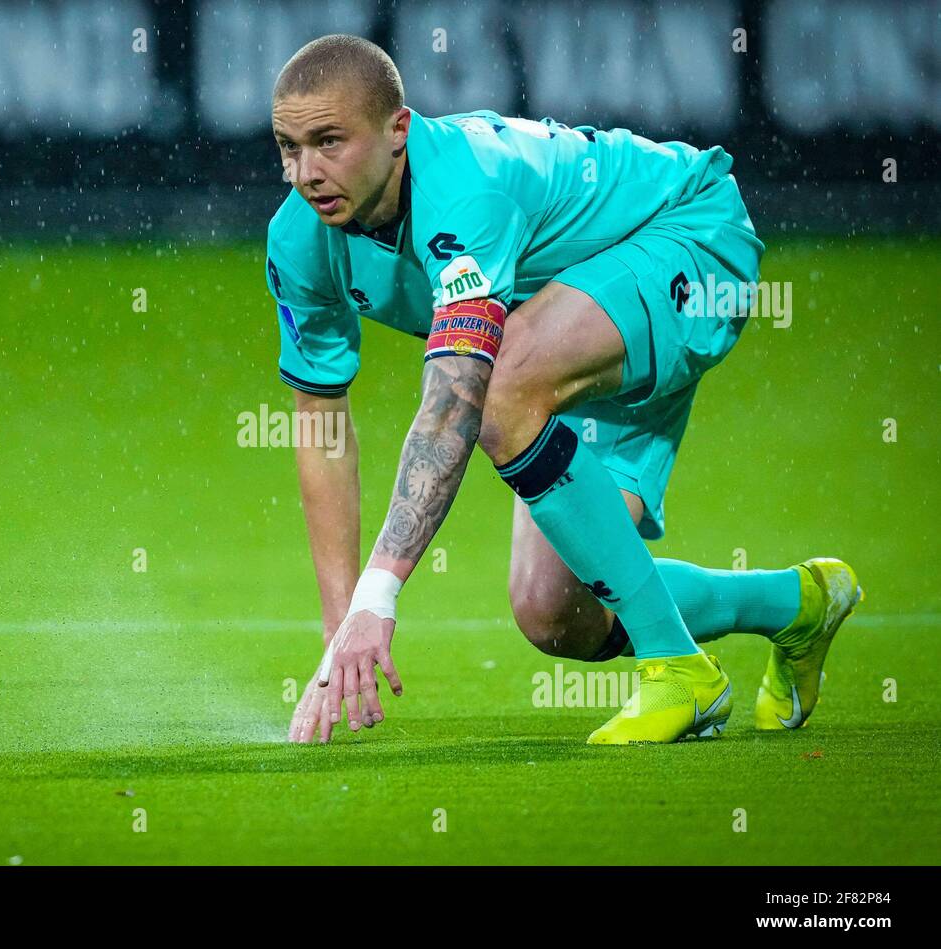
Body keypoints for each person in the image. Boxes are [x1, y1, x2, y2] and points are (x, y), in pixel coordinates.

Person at [266, 35, 861, 745]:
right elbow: (321, 428)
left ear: (398, 132)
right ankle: (798, 604)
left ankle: (682, 672)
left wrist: (381, 593)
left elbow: (455, 400)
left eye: (329, 141)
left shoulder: (466, 188)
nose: (306, 172)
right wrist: (342, 629)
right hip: (573, 326)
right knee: (554, 613)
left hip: (690, 240)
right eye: (289, 147)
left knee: (499, 384)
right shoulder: (298, 241)